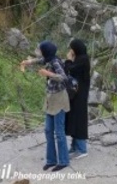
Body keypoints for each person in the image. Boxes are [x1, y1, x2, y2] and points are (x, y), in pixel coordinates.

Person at [20, 41, 70, 171]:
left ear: (46, 51)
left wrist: (48, 74)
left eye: (42, 50)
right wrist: (28, 62)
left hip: (59, 99)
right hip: (50, 99)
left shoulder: (55, 62)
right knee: (48, 130)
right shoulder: (48, 59)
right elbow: (40, 60)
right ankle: (51, 160)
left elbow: (64, 77)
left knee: (59, 132)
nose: (41, 52)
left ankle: (63, 161)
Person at [64, 39, 90, 159]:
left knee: (79, 119)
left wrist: (69, 59)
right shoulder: (80, 58)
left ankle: (81, 148)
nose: (70, 51)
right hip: (76, 94)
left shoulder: (83, 59)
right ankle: (74, 146)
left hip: (80, 95)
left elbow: (71, 69)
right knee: (73, 119)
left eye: (72, 48)